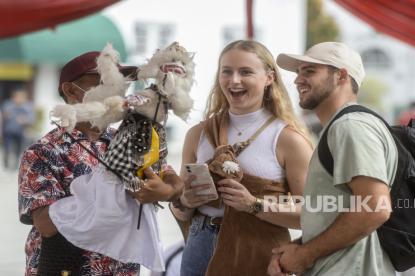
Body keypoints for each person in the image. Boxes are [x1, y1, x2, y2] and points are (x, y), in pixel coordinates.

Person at [18, 51, 182, 276]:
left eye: (121, 84)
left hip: (122, 267)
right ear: (71, 91)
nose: (117, 92)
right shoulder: (43, 152)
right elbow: (46, 224)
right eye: (105, 82)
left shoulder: (130, 139)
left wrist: (166, 190)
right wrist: (109, 185)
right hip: (67, 267)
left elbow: (172, 180)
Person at [170, 40, 314, 276]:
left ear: (269, 78)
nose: (234, 80)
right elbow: (179, 211)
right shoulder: (197, 134)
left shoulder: (288, 139)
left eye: (245, 72)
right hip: (199, 247)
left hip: (258, 250)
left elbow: (311, 214)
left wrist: (252, 204)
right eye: (227, 71)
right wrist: (185, 201)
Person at [268, 42, 397, 276]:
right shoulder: (343, 127)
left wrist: (306, 255)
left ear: (341, 76)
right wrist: (299, 249)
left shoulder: (350, 127)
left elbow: (375, 208)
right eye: (298, 72)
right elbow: (338, 215)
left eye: (309, 71)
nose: (297, 80)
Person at [1, 89, 35, 169]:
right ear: (13, 97)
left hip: (20, 132)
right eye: (17, 97)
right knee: (7, 148)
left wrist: (25, 120)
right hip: (8, 131)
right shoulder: (7, 105)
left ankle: (15, 165)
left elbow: (32, 119)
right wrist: (5, 115)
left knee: (19, 149)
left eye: (21, 97)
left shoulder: (27, 106)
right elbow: (3, 115)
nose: (19, 99)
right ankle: (6, 162)